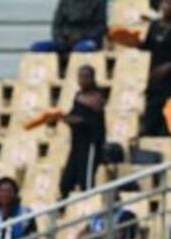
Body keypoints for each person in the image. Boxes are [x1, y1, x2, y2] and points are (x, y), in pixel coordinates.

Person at [140, 0, 171, 136]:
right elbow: (146, 48)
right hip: (153, 82)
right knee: (149, 124)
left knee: (168, 125)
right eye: (166, 3)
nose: (168, 7)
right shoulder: (153, 27)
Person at [59, 65, 105, 198]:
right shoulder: (78, 95)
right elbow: (73, 115)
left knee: (86, 180)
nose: (83, 80)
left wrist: (70, 119)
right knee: (66, 182)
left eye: (86, 77)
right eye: (80, 77)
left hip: (90, 143)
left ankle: (88, 208)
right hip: (76, 143)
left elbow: (84, 120)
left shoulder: (97, 97)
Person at [31, 0, 105, 53]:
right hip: (65, 40)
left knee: (83, 48)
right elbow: (56, 26)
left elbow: (100, 27)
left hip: (86, 40)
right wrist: (60, 39)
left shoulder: (98, 2)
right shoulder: (65, 2)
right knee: (37, 47)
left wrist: (79, 36)